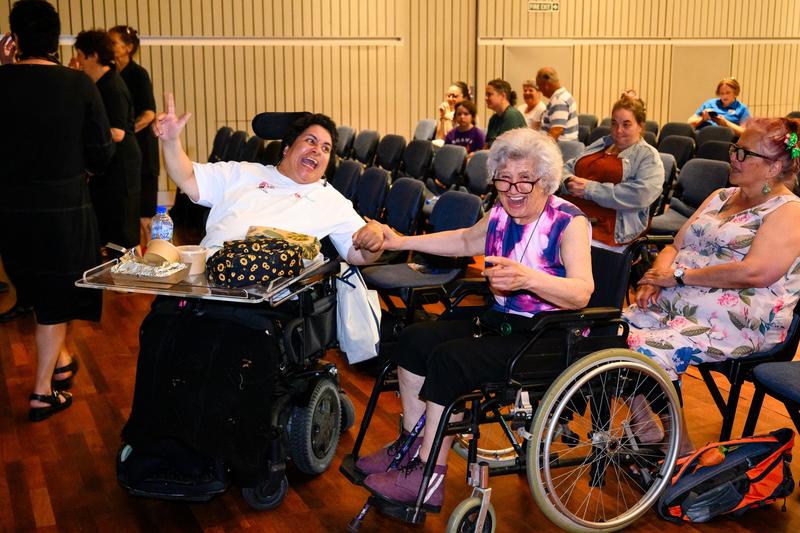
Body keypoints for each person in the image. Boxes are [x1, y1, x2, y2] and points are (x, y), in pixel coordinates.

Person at [358, 128, 593, 509]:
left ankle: (427, 475)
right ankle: (411, 446)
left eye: (524, 181)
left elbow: (582, 291)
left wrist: (528, 278)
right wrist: (398, 241)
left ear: (546, 181)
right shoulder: (501, 211)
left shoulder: (569, 221)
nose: (513, 190)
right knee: (414, 339)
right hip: (501, 319)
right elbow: (467, 240)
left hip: (546, 334)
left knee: (451, 359)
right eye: (504, 180)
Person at [0, 1, 114, 421]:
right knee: (56, 298)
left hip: (10, 210)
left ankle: (62, 361)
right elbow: (102, 153)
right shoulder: (79, 85)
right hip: (63, 208)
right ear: (57, 38)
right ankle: (41, 392)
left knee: (36, 290)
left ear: (14, 39)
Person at [626, 117, 800, 383]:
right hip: (678, 301)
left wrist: (677, 276)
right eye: (734, 148)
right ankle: (648, 423)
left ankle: (659, 423)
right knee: (604, 337)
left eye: (745, 153)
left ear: (773, 167)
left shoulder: (789, 211)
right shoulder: (721, 196)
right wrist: (655, 278)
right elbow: (675, 246)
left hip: (737, 321)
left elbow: (755, 273)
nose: (734, 157)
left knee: (640, 351)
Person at [153, 94, 384, 263]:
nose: (317, 151)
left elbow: (358, 255)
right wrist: (171, 141)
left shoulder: (331, 201)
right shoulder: (243, 172)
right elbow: (186, 177)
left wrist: (373, 242)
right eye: (310, 141)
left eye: (326, 148)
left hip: (268, 297)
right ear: (287, 148)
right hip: (209, 275)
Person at [562, 94, 664, 250]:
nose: (618, 130)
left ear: (640, 126)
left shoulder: (647, 155)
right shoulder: (603, 143)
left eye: (626, 124)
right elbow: (567, 167)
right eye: (614, 123)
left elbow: (640, 195)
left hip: (609, 225)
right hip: (571, 214)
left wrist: (589, 189)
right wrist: (567, 182)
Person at [73, 29, 142, 250]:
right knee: (110, 224)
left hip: (121, 165)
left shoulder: (111, 85)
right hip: (112, 164)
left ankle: (125, 279)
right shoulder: (101, 83)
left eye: (81, 55)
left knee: (120, 227)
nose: (79, 61)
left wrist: (83, 129)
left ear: (93, 55)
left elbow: (118, 132)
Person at [109, 25, 159, 248]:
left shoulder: (138, 74)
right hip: (121, 152)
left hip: (141, 149)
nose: (108, 47)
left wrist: (127, 133)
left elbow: (149, 113)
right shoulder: (110, 74)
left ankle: (151, 256)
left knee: (144, 212)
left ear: (128, 48)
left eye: (113, 43)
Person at [536, 67, 579, 142]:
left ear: (546, 85)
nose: (539, 90)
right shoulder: (564, 95)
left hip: (561, 147)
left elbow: (556, 132)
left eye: (539, 86)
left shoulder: (559, 100)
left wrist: (539, 147)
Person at [484, 78, 527, 148]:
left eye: (489, 94)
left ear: (503, 96)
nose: (486, 98)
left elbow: (505, 147)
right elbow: (487, 145)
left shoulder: (512, 115)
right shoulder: (493, 118)